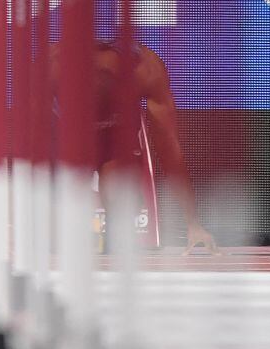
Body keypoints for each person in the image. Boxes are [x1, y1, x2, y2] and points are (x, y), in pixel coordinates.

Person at [92, 41, 219, 254]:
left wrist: (193, 224)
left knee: (118, 194)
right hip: (62, 129)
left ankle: (114, 237)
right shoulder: (55, 67)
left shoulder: (147, 70)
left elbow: (169, 150)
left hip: (115, 132)